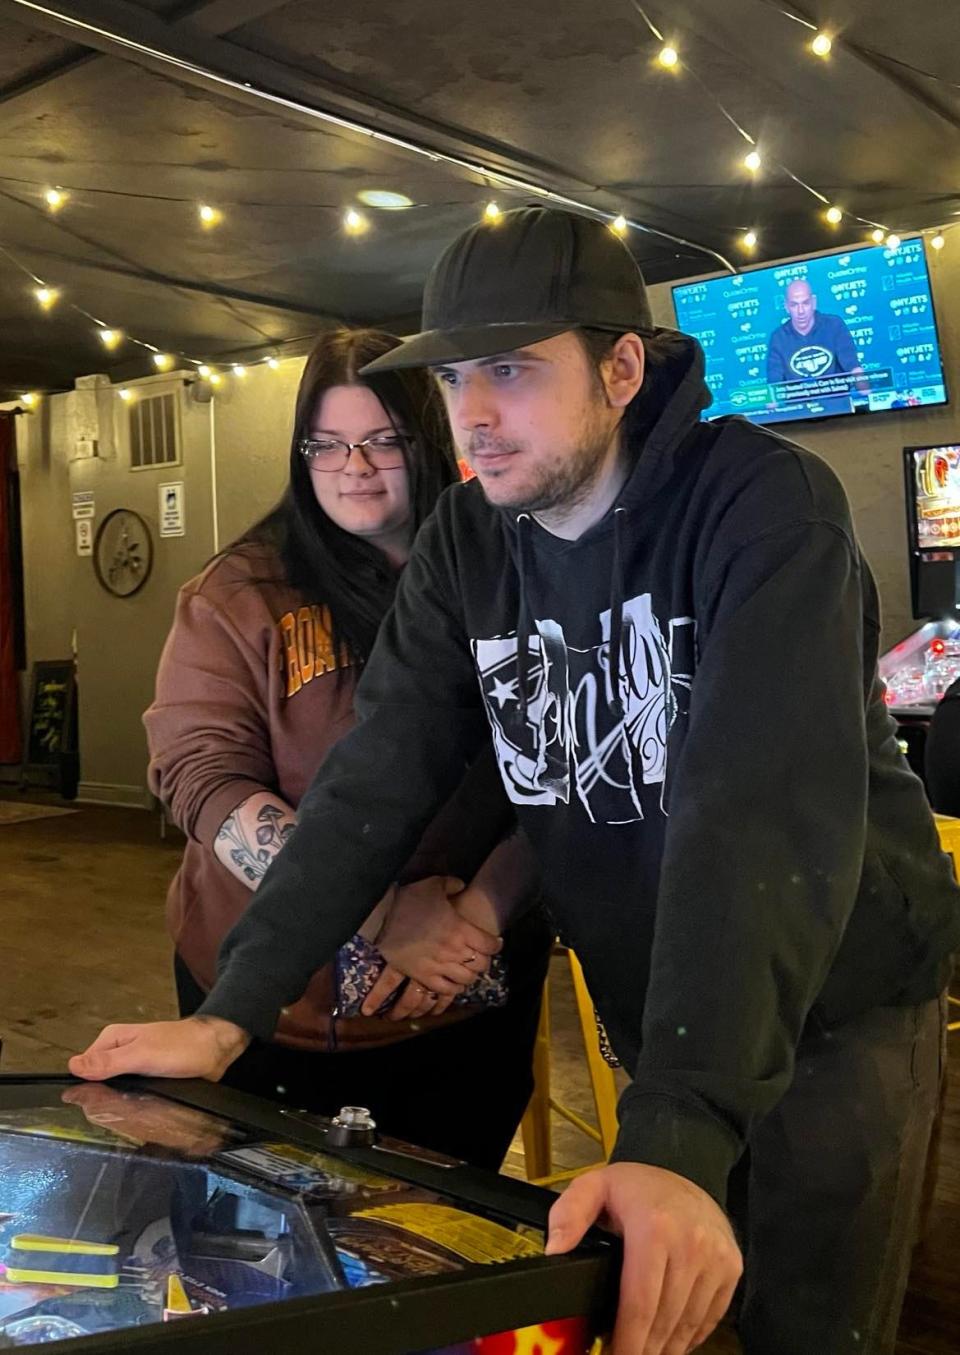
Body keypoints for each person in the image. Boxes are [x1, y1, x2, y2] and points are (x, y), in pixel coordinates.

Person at [71, 212, 960, 1355]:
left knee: (809, 1316)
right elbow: (374, 777)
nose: (473, 418)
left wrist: (677, 1126)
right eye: (452, 380)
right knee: (674, 1309)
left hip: (836, 988)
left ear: (621, 367)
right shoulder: (468, 540)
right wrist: (232, 1011)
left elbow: (753, 817)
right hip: (667, 997)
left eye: (511, 370)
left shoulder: (759, 505)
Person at [129, 326, 551, 1170]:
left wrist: (479, 913)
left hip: (468, 989)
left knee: (449, 1244)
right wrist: (382, 912)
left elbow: (566, 766)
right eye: (326, 443)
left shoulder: (517, 566)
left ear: (425, 442)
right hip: (276, 1013)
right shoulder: (237, 593)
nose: (352, 466)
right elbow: (202, 779)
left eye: (381, 441)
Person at [766, 278, 868, 411]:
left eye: (805, 303)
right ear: (786, 306)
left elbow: (853, 366)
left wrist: (868, 396)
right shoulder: (778, 338)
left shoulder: (834, 325)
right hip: (799, 416)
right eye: (794, 305)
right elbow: (773, 383)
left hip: (839, 410)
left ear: (814, 302)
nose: (801, 311)